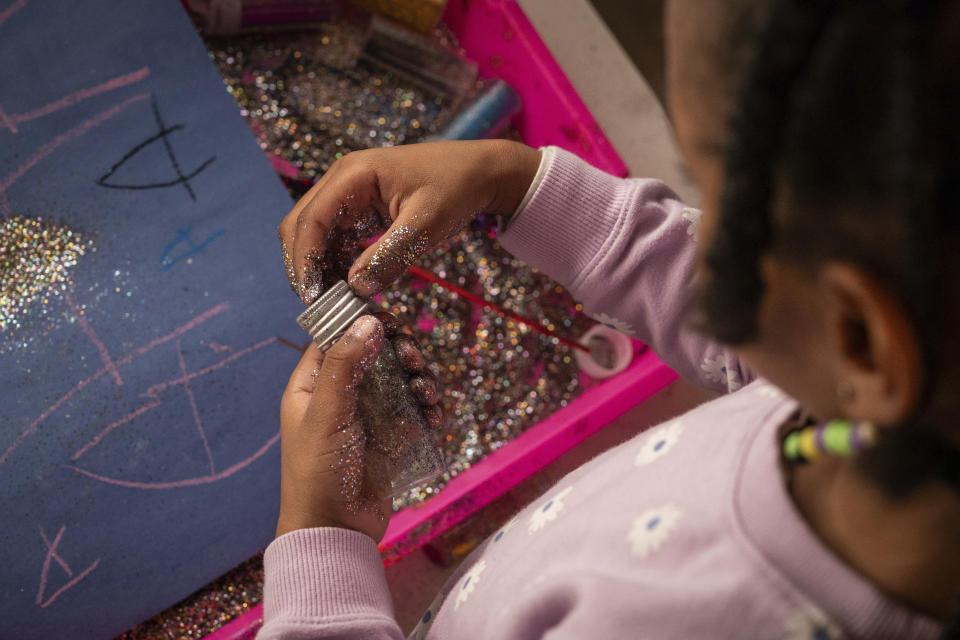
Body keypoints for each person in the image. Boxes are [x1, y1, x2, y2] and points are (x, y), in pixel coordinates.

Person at [266, 0, 960, 637]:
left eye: (720, 202)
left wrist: (321, 546)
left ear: (863, 340)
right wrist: (514, 181)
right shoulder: (858, 394)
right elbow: (757, 348)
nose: (699, 235)